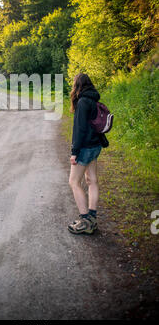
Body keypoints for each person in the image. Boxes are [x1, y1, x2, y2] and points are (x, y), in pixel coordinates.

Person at [68, 73, 104, 235]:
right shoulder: (93, 99)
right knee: (92, 180)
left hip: (86, 148)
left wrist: (74, 152)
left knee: (74, 182)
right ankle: (92, 218)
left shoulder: (82, 102)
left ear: (77, 85)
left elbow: (80, 130)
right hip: (96, 145)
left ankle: (85, 221)